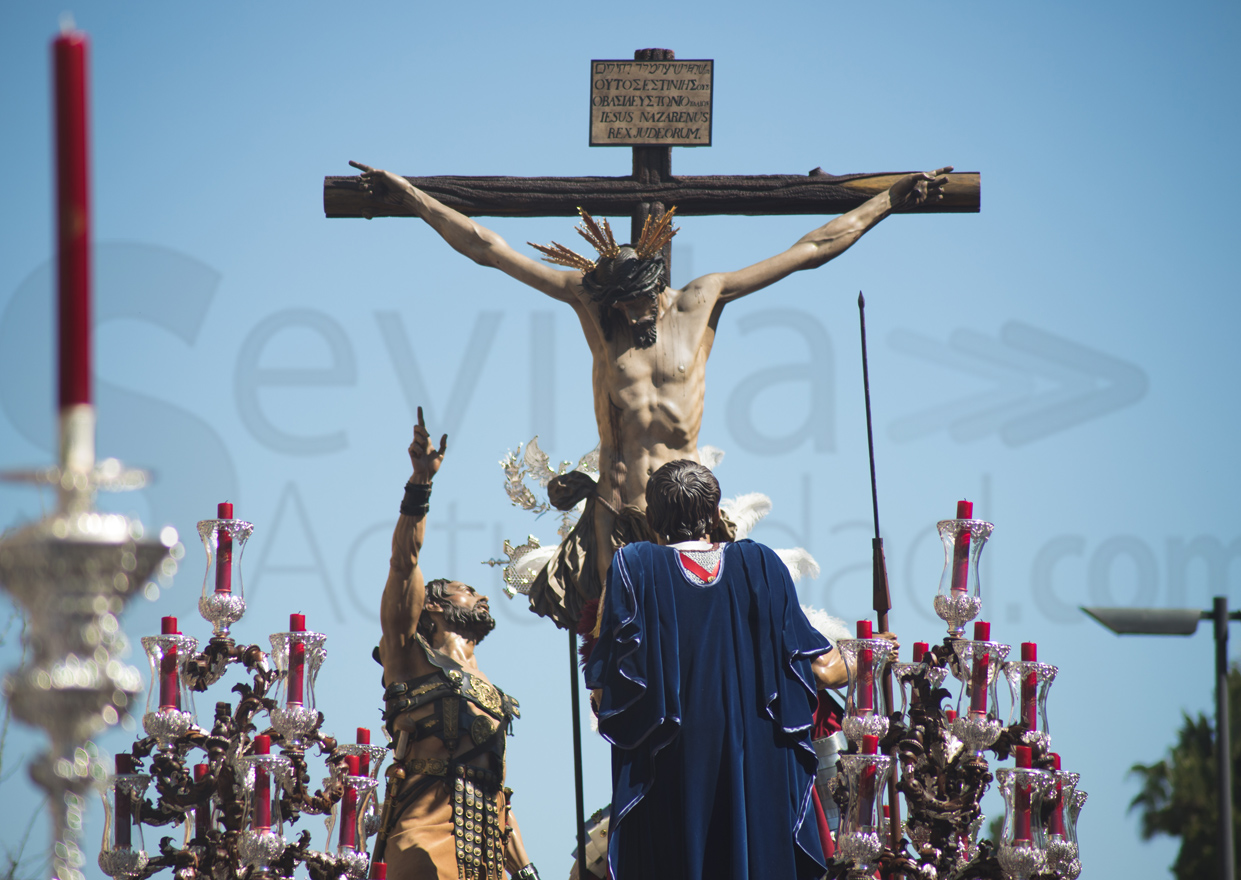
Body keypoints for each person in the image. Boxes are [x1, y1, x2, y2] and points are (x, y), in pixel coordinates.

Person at [350, 160, 951, 630]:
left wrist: (889, 198)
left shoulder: (703, 299)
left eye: (637, 303)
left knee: (700, 642)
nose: (628, 315)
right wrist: (412, 197)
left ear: (658, 285)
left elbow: (812, 249)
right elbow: (489, 248)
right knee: (621, 644)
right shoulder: (598, 310)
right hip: (617, 506)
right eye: (618, 305)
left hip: (686, 510)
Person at [583, 459, 835, 880]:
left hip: (672, 770)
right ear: (716, 516)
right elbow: (823, 671)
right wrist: (870, 653)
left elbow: (603, 694)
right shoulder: (761, 565)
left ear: (651, 520)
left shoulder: (635, 567)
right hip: (758, 764)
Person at [375, 407, 540, 880]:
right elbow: (404, 564)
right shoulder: (409, 657)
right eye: (467, 591)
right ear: (433, 607)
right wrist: (420, 484)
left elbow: (499, 796)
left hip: (487, 861)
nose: (483, 594)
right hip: (424, 847)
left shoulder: (492, 691)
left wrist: (526, 871)